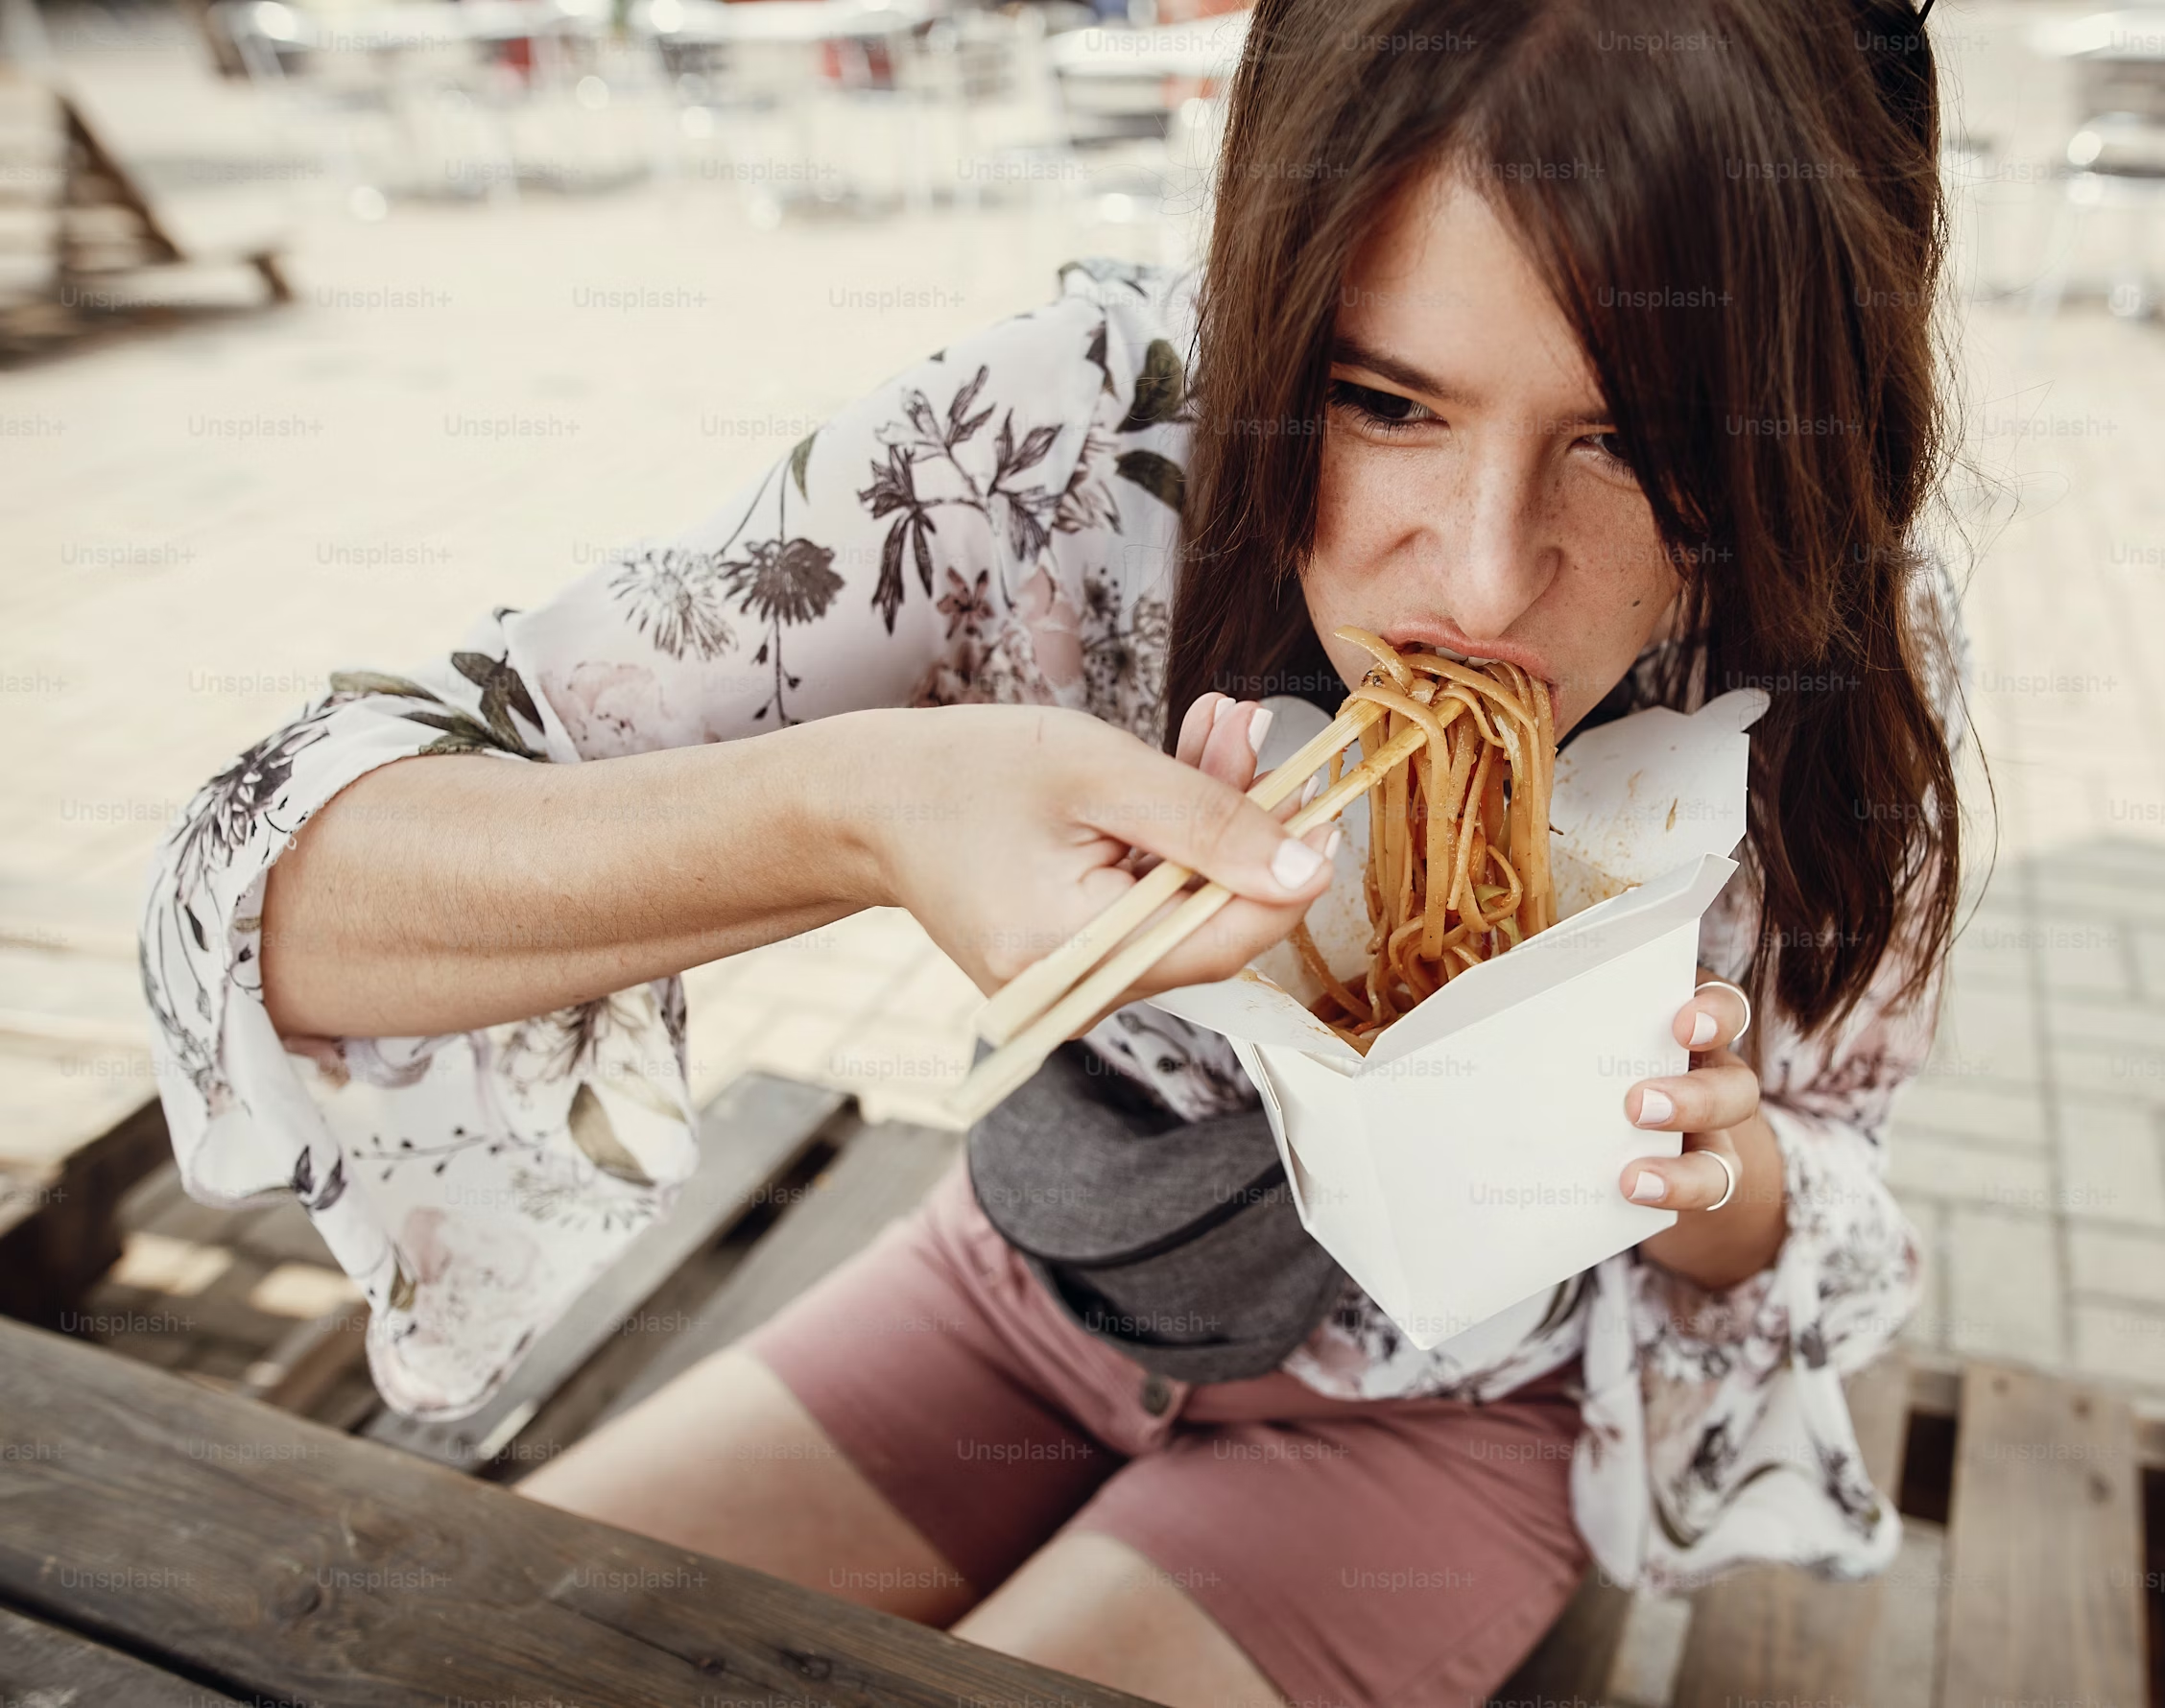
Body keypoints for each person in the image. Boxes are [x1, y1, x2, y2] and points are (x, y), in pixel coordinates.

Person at [140, 0, 1970, 1702]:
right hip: (1029, 1294)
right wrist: (853, 812)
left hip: (1447, 1413)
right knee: (465, 1653)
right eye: (1381, 400)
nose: (1486, 577)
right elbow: (282, 890)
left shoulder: (1827, 614)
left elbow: (1836, 1202)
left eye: (1633, 439)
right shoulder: (1067, 443)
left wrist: (1697, 1170)